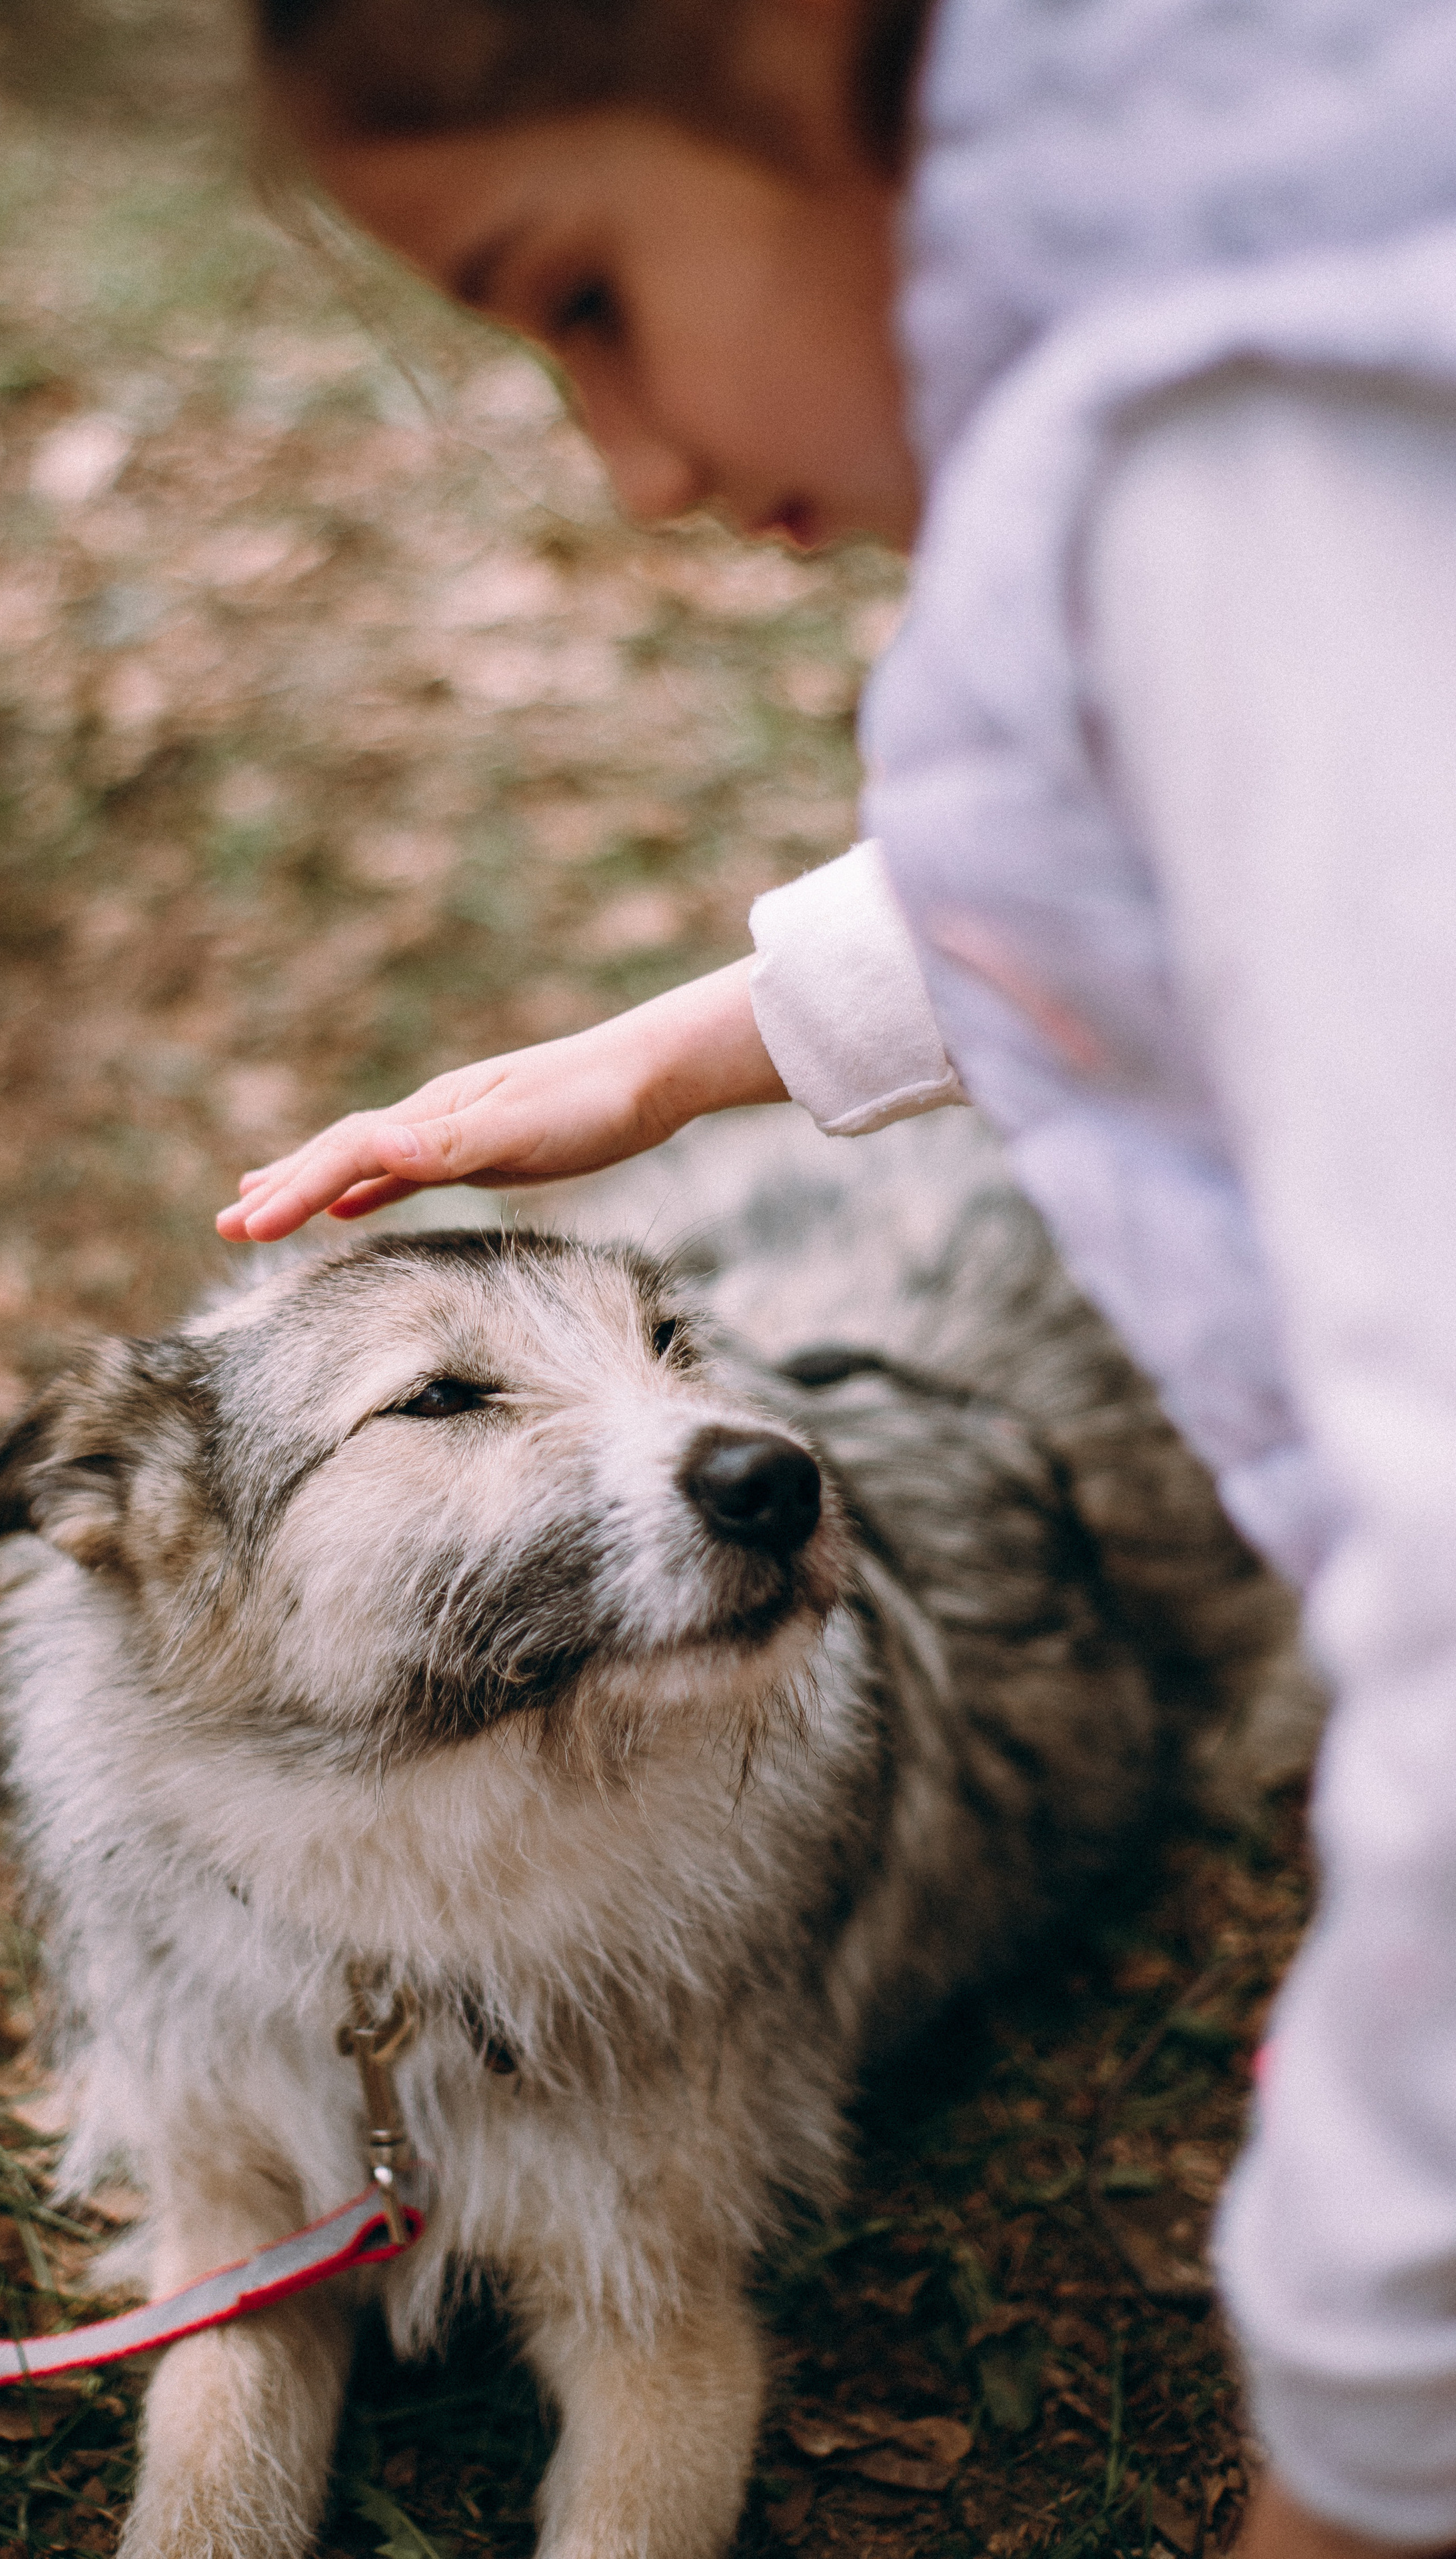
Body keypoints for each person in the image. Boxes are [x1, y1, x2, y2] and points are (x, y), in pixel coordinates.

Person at [214, 3, 1456, 2552]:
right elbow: (1205, 815)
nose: (641, 471)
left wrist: (1356, 2370)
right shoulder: (1292, 286)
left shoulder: (1233, 457)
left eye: (584, 302)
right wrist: (701, 1048)